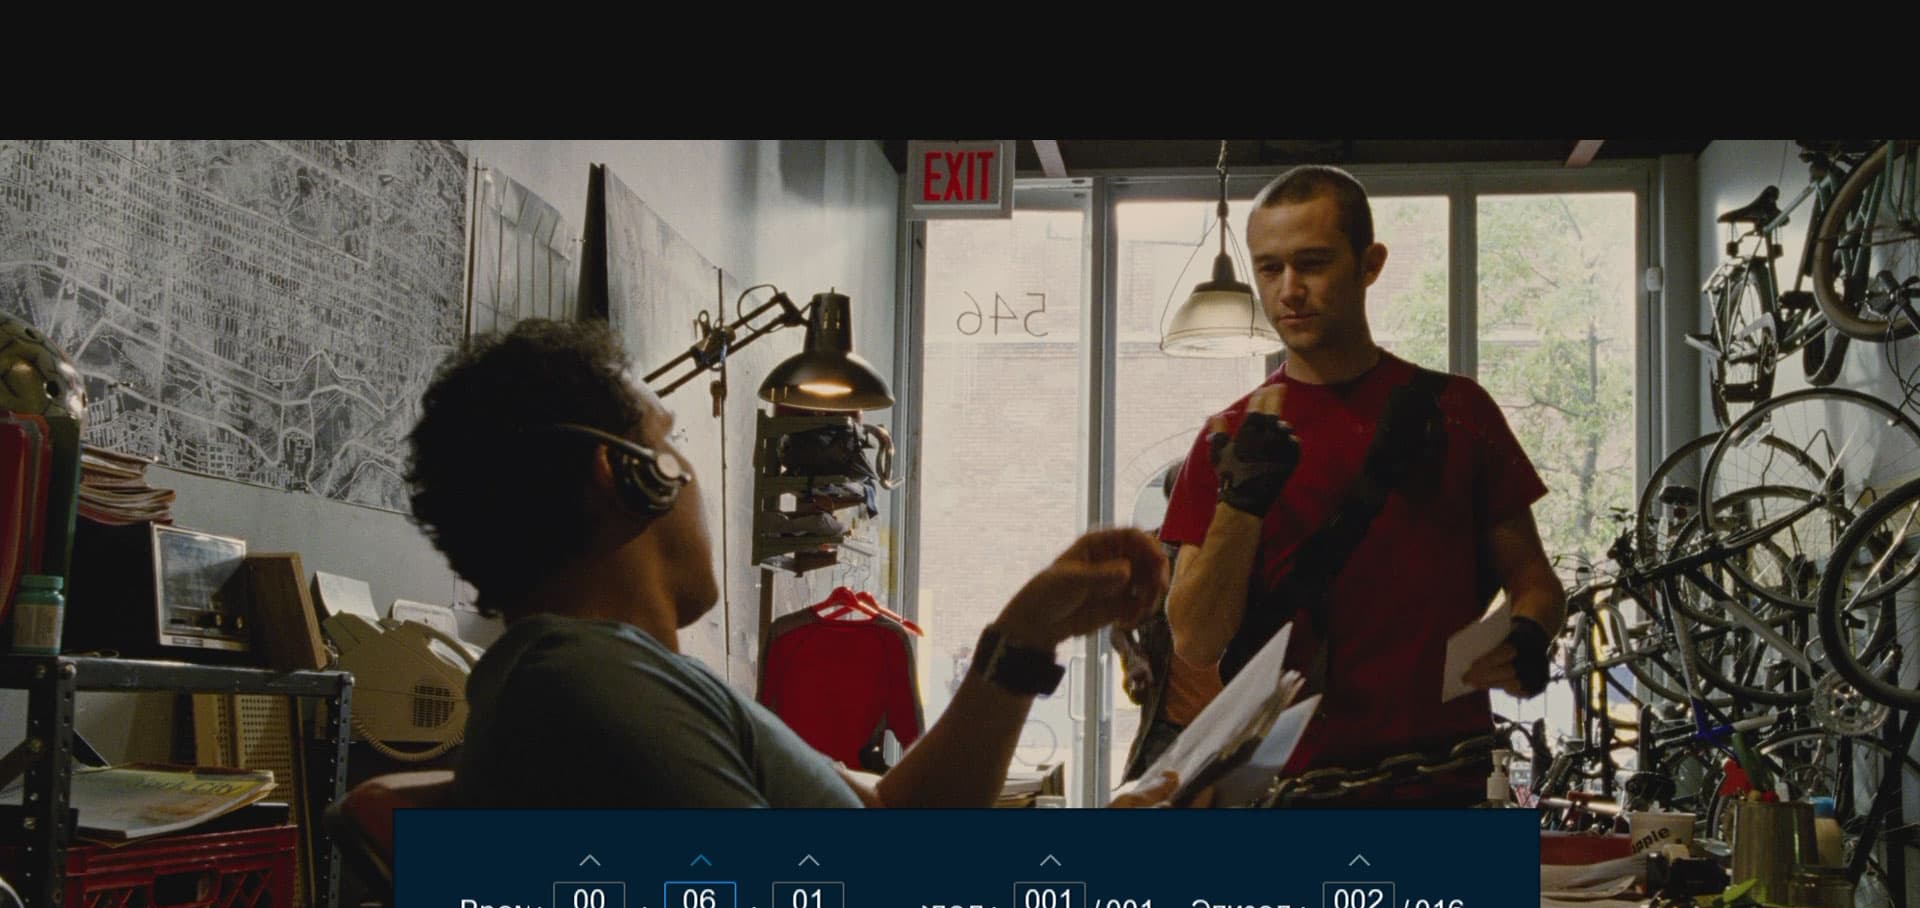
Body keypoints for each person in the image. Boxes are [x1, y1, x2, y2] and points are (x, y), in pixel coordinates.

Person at [406, 319, 1178, 810]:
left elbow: (895, 817)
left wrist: (1026, 635)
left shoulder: (621, 679)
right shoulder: (592, 687)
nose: (691, 473)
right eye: (670, 441)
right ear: (629, 476)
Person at [1162, 165, 1566, 807]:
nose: (1290, 290)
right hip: (1285, 797)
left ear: (1369, 264)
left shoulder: (1458, 412)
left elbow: (1535, 581)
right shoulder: (1229, 437)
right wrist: (1241, 503)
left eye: (1313, 263)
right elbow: (1195, 639)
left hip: (1446, 789)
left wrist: (1529, 634)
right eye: (1269, 269)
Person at [1113, 462, 1223, 783]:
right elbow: (1116, 621)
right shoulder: (1149, 554)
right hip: (1169, 728)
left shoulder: (1234, 552)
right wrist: (1132, 658)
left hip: (1230, 721)